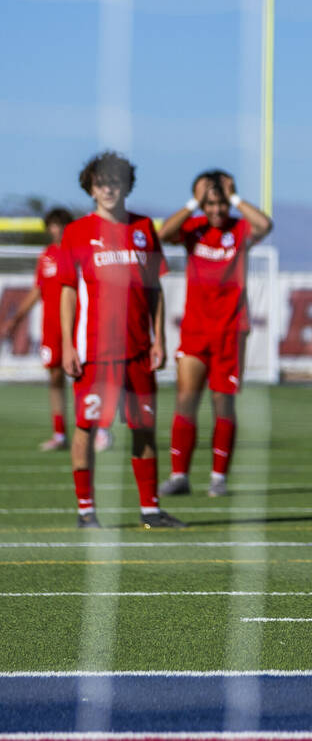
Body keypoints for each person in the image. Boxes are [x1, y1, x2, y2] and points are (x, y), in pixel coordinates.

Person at [57, 151, 183, 529]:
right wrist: (67, 344)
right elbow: (66, 290)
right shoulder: (77, 232)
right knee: (86, 426)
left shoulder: (144, 228)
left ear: (127, 184)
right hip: (94, 351)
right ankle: (85, 512)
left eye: (115, 181)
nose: (108, 188)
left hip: (138, 351)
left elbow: (154, 287)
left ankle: (150, 511)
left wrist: (159, 339)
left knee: (143, 427)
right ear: (90, 188)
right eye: (101, 183)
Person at [158, 170, 273, 497]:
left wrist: (234, 196)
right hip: (195, 331)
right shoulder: (193, 229)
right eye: (209, 203)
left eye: (221, 203)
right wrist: (193, 203)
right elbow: (165, 233)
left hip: (231, 330)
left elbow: (265, 225)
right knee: (185, 401)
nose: (216, 210)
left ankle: (218, 478)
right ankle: (179, 475)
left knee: (223, 404)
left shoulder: (240, 228)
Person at [1, 208, 74, 450]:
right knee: (55, 378)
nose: (57, 229)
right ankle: (60, 433)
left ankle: (99, 430)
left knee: (84, 378)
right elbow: (38, 289)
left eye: (60, 224)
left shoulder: (79, 253)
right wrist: (16, 317)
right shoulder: (47, 256)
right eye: (53, 225)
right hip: (52, 326)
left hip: (77, 324)